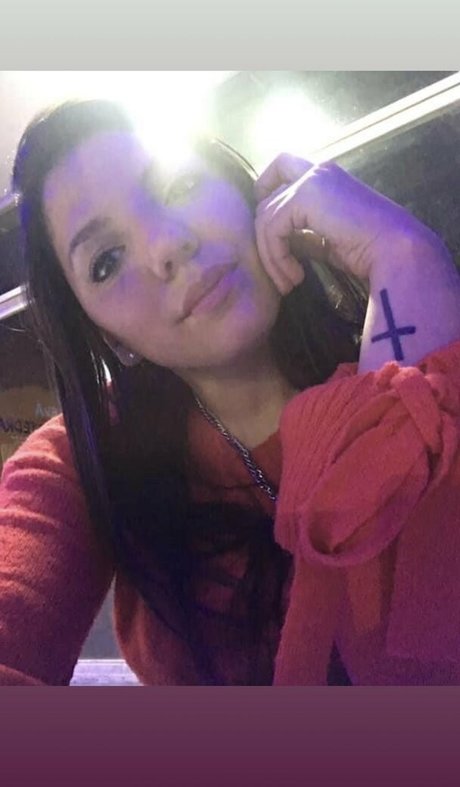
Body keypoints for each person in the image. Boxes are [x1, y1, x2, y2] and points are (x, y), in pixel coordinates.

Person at [1, 98, 460, 686]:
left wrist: (406, 254)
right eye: (107, 261)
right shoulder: (89, 458)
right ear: (111, 340)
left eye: (179, 183)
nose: (167, 245)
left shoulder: (425, 330)